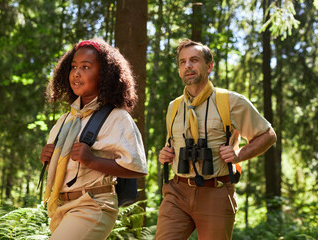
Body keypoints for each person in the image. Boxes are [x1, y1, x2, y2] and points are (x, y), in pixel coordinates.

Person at [155, 39, 277, 240]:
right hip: (177, 192)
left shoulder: (230, 101)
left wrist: (238, 155)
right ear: (178, 69)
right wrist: (166, 153)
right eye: (183, 62)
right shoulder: (173, 106)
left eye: (194, 60)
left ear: (209, 66)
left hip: (216, 192)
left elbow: (268, 135)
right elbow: (171, 144)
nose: (188, 66)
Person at [40, 38, 148, 240]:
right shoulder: (66, 119)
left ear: (105, 75)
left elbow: (137, 168)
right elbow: (67, 166)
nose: (77, 73)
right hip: (61, 208)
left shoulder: (117, 117)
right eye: (73, 67)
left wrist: (92, 160)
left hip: (94, 205)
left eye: (86, 67)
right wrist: (47, 158)